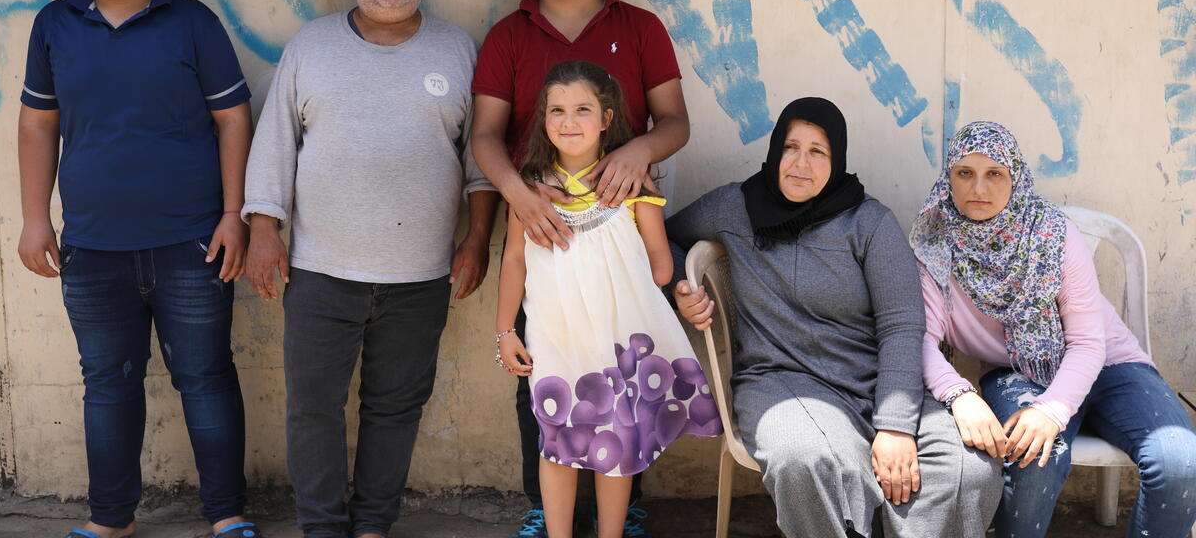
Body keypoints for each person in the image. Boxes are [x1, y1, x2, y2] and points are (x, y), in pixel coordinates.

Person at [241, 0, 499, 538]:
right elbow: (273, 142)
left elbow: (481, 160)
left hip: (420, 275)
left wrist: (476, 239)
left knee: (395, 408)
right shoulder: (311, 46)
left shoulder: (457, 49)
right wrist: (264, 229)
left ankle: (373, 525)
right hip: (322, 269)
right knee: (312, 410)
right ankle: (323, 527)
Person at [17, 0, 261, 538]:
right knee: (107, 384)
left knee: (205, 378)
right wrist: (35, 218)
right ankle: (111, 521)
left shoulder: (192, 22)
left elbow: (233, 119)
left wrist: (233, 213)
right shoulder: (55, 24)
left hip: (192, 243)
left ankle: (227, 516)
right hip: (92, 248)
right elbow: (38, 126)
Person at [670, 98, 1002, 538]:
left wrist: (895, 427)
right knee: (808, 459)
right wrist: (679, 286)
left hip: (874, 383)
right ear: (774, 151)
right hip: (781, 381)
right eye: (791, 147)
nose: (801, 164)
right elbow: (664, 234)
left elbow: (902, 325)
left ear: (837, 158)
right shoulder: (736, 206)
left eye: (818, 152)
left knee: (967, 466)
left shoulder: (869, 223)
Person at [471, 0, 690, 538]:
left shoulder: (641, 27)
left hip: (621, 231)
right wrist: (517, 192)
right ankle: (549, 511)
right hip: (541, 230)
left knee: (630, 370)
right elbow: (486, 133)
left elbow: (675, 120)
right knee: (541, 372)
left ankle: (625, 504)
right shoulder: (509, 35)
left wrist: (641, 151)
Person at [911, 120, 1196, 538]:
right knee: (1032, 460)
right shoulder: (933, 245)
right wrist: (960, 395)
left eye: (995, 174)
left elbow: (1086, 343)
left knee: (1181, 462)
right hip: (1017, 373)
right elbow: (919, 341)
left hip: (1110, 366)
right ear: (948, 177)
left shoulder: (1052, 233)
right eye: (965, 173)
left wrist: (1052, 411)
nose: (979, 189)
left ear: (1016, 178)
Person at [495, 60, 721, 538]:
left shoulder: (635, 188)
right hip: (556, 341)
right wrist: (504, 331)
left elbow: (660, 266)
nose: (568, 121)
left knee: (616, 445)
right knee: (555, 445)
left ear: (607, 118)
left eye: (582, 109)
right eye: (556, 110)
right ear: (542, 119)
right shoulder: (531, 192)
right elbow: (513, 261)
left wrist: (645, 280)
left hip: (616, 344)